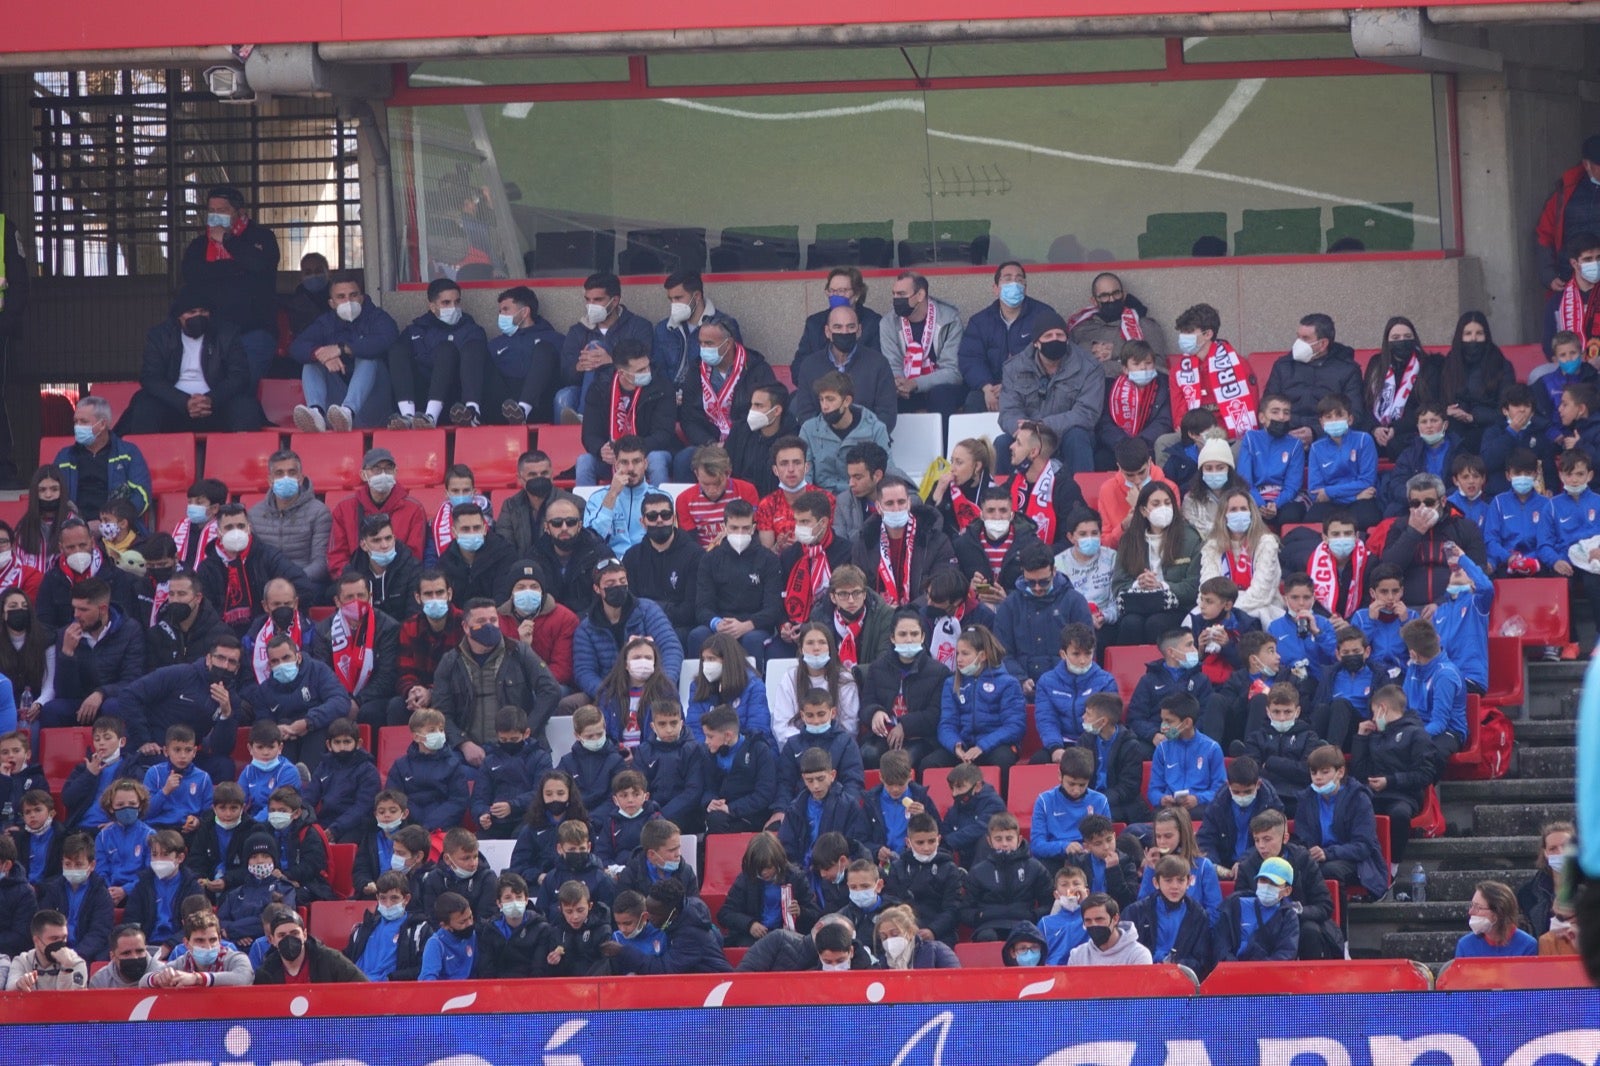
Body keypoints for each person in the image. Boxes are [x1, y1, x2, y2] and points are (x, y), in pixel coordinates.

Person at [118, 288, 267, 434]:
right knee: (146, 407)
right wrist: (184, 402)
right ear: (179, 316)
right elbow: (151, 378)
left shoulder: (227, 334)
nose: (198, 316)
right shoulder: (160, 336)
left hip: (216, 405)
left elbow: (239, 376)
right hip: (173, 406)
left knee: (246, 407)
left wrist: (210, 399)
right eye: (192, 312)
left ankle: (242, 458)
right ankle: (146, 457)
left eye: (203, 311)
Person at [431, 598, 560, 760]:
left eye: (493, 620)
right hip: (467, 753)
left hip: (519, 749)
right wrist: (462, 743)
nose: (489, 625)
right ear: (465, 627)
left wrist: (526, 731)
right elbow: (441, 713)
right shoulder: (450, 662)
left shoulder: (519, 652)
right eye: (481, 621)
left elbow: (551, 690)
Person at [178, 184, 279, 383]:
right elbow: (192, 276)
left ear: (240, 212)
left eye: (222, 211)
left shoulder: (262, 237)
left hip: (253, 333)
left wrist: (227, 240)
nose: (215, 216)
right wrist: (236, 268)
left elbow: (259, 266)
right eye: (212, 211)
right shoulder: (199, 245)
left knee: (241, 386)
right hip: (210, 335)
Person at [290, 273, 401, 433]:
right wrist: (321, 354)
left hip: (374, 405)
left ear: (362, 297)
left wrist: (341, 349)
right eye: (341, 297)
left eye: (353, 295)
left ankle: (348, 411)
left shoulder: (377, 317)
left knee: (367, 358)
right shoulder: (326, 322)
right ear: (332, 303)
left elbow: (387, 338)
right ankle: (316, 413)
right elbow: (297, 347)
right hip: (335, 413)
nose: (348, 301)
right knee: (311, 362)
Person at [997, 310, 1101, 476]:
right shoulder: (1014, 368)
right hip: (1028, 436)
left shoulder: (1089, 367)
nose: (1055, 340)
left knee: (1077, 437)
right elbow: (1008, 412)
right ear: (1036, 343)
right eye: (1048, 336)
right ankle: (1003, 498)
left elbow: (1087, 413)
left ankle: (1081, 498)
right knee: (1002, 443)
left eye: (1060, 335)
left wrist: (1042, 426)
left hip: (1067, 436)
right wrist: (1026, 430)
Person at [571, 558, 683, 702]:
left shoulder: (648, 610)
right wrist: (608, 695)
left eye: (622, 582)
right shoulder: (586, 628)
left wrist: (663, 685)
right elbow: (584, 672)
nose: (618, 586)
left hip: (652, 687)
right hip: (610, 694)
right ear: (597, 589)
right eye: (610, 584)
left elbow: (671, 649)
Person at [676, 319, 777, 480]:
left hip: (746, 441)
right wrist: (710, 443)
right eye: (701, 343)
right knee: (683, 459)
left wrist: (732, 443)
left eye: (709, 343)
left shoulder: (756, 369)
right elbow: (689, 418)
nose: (704, 349)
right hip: (709, 444)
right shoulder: (695, 370)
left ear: (728, 343)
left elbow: (764, 412)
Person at [38, 577, 143, 729]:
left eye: (83, 610)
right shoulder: (65, 634)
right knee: (53, 710)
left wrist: (101, 693)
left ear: (103, 609)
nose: (76, 615)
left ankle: (120, 752)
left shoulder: (130, 630)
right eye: (74, 608)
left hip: (112, 699)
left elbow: (132, 679)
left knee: (113, 706)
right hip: (79, 701)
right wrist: (67, 654)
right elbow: (64, 691)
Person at [1353, 685, 1438, 867]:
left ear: (1382, 708)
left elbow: (1425, 774)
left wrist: (1390, 781)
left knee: (1398, 814)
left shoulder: (1416, 733)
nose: (1373, 718)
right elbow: (1360, 772)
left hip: (1404, 796)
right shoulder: (1375, 735)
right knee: (1353, 810)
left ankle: (1393, 865)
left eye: (1374, 712)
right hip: (1373, 794)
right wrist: (1360, 738)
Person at [386, 277, 487, 429]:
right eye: (446, 303)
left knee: (447, 349)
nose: (453, 307)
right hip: (419, 400)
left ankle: (433, 417)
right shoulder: (415, 330)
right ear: (432, 307)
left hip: (455, 402)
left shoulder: (472, 330)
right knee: (397, 350)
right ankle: (407, 417)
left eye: (457, 302)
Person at [456, 286, 565, 426]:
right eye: (500, 311)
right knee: (474, 346)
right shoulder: (496, 343)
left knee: (544, 348)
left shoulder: (554, 339)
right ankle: (472, 411)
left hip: (536, 405)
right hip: (501, 404)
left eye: (506, 310)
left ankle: (523, 411)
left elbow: (564, 375)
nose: (501, 315)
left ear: (525, 312)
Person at [689, 499, 782, 660]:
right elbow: (702, 606)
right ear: (724, 528)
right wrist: (717, 623)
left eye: (745, 528)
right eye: (734, 528)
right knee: (697, 635)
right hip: (720, 623)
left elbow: (773, 608)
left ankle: (754, 684)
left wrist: (747, 625)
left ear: (753, 528)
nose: (740, 533)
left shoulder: (769, 560)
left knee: (752, 640)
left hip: (754, 625)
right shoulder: (710, 559)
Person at [557, 271, 656, 422]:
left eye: (597, 300)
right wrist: (579, 367)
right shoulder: (578, 331)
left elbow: (647, 367)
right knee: (563, 397)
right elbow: (564, 376)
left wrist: (612, 360)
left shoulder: (639, 326)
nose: (591, 306)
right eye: (588, 300)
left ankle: (584, 416)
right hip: (589, 390)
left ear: (615, 301)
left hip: (625, 389)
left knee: (593, 346)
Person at [959, 261, 1057, 414]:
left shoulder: (1044, 315)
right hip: (990, 388)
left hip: (1031, 387)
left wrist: (1012, 385)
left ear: (1025, 288)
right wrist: (986, 387)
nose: (1014, 283)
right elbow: (970, 358)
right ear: (996, 289)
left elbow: (1052, 357)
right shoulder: (979, 321)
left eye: (1019, 280)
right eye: (1007, 278)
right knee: (973, 402)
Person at [1111, 482, 1201, 646]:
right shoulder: (1129, 539)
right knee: (1130, 624)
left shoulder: (1190, 538)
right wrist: (1140, 583)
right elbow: (1118, 584)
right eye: (1156, 503)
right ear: (1143, 510)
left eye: (1167, 503)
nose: (1163, 508)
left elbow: (1193, 586)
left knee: (1156, 624)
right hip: (1139, 604)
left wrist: (1161, 585)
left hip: (1176, 607)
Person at [1381, 472, 1490, 605]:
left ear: (1443, 501)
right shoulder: (1400, 527)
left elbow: (1479, 571)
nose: (1422, 509)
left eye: (1429, 502)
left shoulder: (1465, 527)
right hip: (1409, 609)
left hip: (1453, 605)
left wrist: (1443, 602)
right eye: (1416, 503)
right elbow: (1388, 570)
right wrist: (1413, 533)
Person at [579, 342, 676, 488]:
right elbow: (589, 434)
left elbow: (663, 434)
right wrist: (601, 449)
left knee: (657, 461)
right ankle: (587, 509)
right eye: (641, 370)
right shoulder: (600, 388)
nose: (647, 372)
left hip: (649, 451)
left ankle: (659, 508)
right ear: (622, 373)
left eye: (647, 366)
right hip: (614, 457)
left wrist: (631, 452)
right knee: (584, 462)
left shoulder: (661, 387)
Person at [852, 477, 958, 610]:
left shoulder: (935, 540)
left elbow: (943, 584)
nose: (896, 508)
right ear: (878, 507)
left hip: (923, 615)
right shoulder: (865, 542)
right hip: (879, 617)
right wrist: (881, 609)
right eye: (889, 503)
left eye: (901, 502)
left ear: (909, 503)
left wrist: (907, 610)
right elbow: (858, 586)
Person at [791, 304, 898, 431]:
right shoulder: (809, 365)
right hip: (823, 444)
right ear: (827, 332)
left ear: (859, 331)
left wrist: (857, 437)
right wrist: (831, 438)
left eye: (850, 327)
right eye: (838, 327)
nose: (844, 332)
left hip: (867, 444)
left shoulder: (878, 363)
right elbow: (805, 414)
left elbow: (887, 415)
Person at [326, 447, 429, 578]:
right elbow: (336, 556)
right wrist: (353, 581)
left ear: (396, 472)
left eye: (388, 469)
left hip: (399, 581)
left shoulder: (414, 509)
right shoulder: (344, 509)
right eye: (376, 469)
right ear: (363, 474)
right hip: (354, 581)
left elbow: (415, 556)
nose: (383, 474)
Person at [933, 625, 1025, 770]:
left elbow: (1014, 726)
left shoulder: (1008, 683)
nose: (959, 659)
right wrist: (955, 745)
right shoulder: (951, 683)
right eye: (957, 653)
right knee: (931, 763)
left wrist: (982, 746)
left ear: (982, 656)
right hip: (964, 745)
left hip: (994, 745)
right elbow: (946, 724)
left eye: (965, 653)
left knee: (1003, 760)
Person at [1263, 313, 1366, 442]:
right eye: (1298, 337)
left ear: (1323, 343)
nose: (1298, 343)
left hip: (1329, 440)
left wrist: (1316, 433)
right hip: (1284, 437)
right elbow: (1266, 406)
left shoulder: (1348, 370)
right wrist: (1285, 432)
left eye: (1305, 338)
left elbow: (1355, 415)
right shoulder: (1283, 366)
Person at [1167, 303, 1258, 447]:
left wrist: (1213, 436)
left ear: (1208, 334)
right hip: (1193, 436)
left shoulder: (1237, 364)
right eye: (1182, 332)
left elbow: (1247, 413)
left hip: (1228, 436)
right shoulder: (1178, 370)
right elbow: (1179, 414)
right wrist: (1194, 435)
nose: (1183, 337)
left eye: (1189, 332)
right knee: (1163, 443)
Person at [881, 271, 966, 417]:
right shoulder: (888, 323)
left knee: (941, 395)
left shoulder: (949, 320)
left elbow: (953, 371)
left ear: (920, 295)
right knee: (889, 396)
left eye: (901, 294)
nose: (896, 299)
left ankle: (943, 440)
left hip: (940, 387)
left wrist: (915, 384)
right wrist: (900, 384)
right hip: (905, 386)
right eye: (894, 294)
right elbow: (892, 365)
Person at [54, 396, 152, 523]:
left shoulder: (128, 453)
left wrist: (112, 521)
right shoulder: (64, 457)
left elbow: (142, 495)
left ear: (102, 424)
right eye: (75, 422)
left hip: (117, 528)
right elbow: (52, 494)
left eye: (83, 422)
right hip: (74, 528)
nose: (77, 427)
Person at [248, 450, 333, 591]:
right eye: (279, 473)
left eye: (292, 473)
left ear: (300, 478)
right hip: (266, 585)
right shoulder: (254, 514)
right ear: (270, 480)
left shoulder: (319, 512)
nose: (285, 477)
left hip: (305, 582)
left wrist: (292, 581)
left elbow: (321, 564)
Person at [961, 811, 1051, 941]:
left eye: (1009, 838)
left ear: (1019, 840)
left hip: (1024, 924)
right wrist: (979, 916)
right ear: (989, 841)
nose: (1004, 844)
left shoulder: (1035, 868)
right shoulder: (977, 871)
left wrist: (1033, 915)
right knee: (987, 937)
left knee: (1022, 937)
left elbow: (1049, 903)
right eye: (998, 839)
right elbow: (965, 910)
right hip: (988, 926)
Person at [800, 372, 892, 499]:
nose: (825, 406)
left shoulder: (875, 429)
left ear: (847, 401)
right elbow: (805, 473)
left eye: (830, 399)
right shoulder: (808, 429)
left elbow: (887, 471)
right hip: (823, 500)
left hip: (862, 498)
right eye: (821, 399)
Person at [1200, 489, 1284, 627]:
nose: (1239, 513)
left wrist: (1227, 609)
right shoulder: (1212, 546)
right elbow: (1207, 587)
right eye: (1233, 510)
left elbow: (1261, 592)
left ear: (1252, 513)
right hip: (1219, 609)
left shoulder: (1266, 543)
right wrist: (1219, 609)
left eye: (1243, 509)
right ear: (1224, 515)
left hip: (1261, 608)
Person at [1363, 316, 1442, 460]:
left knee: (1398, 445)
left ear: (1414, 338)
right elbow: (1365, 403)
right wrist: (1374, 429)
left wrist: (1396, 428)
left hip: (1408, 431)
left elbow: (1428, 406)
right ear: (1388, 341)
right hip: (1376, 430)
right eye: (1396, 337)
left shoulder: (1427, 365)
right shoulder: (1376, 364)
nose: (1402, 341)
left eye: (1407, 336)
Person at [1535, 136, 1600, 304]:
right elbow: (1544, 234)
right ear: (1586, 165)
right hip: (1568, 285)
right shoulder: (1565, 193)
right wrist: (1548, 275)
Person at [1124, 854, 1213, 976]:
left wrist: (1177, 964)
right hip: (1142, 978)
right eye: (1168, 880)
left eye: (1181, 880)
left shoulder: (1199, 916)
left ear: (1189, 882)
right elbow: (1125, 953)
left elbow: (1203, 960)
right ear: (1156, 883)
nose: (1175, 886)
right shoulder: (1135, 912)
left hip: (1182, 980)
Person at [656, 269, 743, 389]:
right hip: (669, 400)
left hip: (704, 399)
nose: (674, 304)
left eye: (678, 298)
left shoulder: (723, 326)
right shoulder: (664, 328)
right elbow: (658, 370)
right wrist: (668, 396)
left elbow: (733, 369)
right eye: (671, 300)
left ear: (697, 296)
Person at [1067, 271, 1169, 374]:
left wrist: (1118, 352)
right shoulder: (1081, 329)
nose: (1111, 300)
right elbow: (1066, 363)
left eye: (1116, 293)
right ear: (1094, 301)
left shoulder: (1145, 325)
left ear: (1123, 295)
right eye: (1104, 296)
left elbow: (1158, 366)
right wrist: (1090, 349)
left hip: (1132, 388)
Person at [701, 703, 779, 834]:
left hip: (751, 816)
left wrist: (731, 808)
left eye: (710, 736)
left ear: (728, 736)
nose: (706, 741)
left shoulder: (759, 750)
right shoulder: (708, 754)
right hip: (721, 815)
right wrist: (710, 802)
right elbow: (707, 787)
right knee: (715, 819)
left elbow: (765, 793)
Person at [1095, 340, 1172, 471]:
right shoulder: (1111, 387)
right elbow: (1105, 423)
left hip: (1149, 446)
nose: (1143, 368)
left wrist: (1140, 443)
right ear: (1125, 368)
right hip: (1118, 446)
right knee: (1100, 459)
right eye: (1136, 364)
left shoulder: (1165, 385)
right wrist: (1122, 443)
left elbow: (1164, 421)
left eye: (1148, 363)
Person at [1005, 421, 1083, 548]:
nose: (1011, 446)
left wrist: (1038, 556)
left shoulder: (1065, 489)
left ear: (1033, 452)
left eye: (1018, 443)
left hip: (1049, 563)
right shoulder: (1014, 481)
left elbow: (1071, 539)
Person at [1212, 855, 1301, 962]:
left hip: (1268, 975)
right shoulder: (1234, 905)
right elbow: (1220, 944)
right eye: (1263, 880)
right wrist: (1234, 968)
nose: (1267, 886)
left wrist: (1257, 972)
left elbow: (1286, 953)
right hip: (1229, 971)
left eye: (1274, 883)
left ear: (1287, 891)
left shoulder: (1288, 916)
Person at [795, 267, 882, 360]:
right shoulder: (814, 323)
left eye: (841, 291)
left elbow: (876, 364)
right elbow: (800, 364)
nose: (835, 295)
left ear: (856, 294)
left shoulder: (872, 322)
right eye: (831, 291)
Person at [729, 384, 800, 496]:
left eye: (759, 406)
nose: (752, 410)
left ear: (776, 410)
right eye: (751, 405)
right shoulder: (740, 430)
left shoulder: (794, 439)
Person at [928, 437, 997, 539]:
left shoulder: (993, 492)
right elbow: (924, 526)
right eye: (952, 461)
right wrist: (937, 494)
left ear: (977, 466)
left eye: (959, 463)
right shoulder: (944, 486)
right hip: (947, 550)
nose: (952, 468)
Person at [3, 910, 87, 991]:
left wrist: (67, 969)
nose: (60, 944)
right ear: (37, 940)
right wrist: (19, 984)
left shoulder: (76, 963)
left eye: (64, 938)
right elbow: (10, 989)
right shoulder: (23, 961)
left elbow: (72, 1000)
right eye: (54, 938)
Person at [15, 465, 75, 573]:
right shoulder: (23, 527)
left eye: (54, 489)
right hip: (29, 587)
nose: (48, 495)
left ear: (62, 491)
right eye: (42, 490)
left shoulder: (74, 523)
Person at [1457, 880, 1540, 958]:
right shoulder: (1465, 945)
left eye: (1478, 907)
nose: (1470, 912)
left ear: (1497, 913)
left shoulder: (1527, 946)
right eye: (1472, 905)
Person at [1517, 821, 1573, 936]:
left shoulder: (1593, 888)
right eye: (1553, 848)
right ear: (1545, 853)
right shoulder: (1527, 893)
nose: (1560, 852)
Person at [1067, 893, 1151, 966]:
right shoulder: (1077, 955)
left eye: (1099, 919)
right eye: (1088, 920)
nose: (1094, 924)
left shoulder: (1138, 954)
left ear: (1115, 919)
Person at [1552, 231, 1600, 350]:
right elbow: (1549, 343)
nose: (1595, 263)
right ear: (1574, 263)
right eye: (1588, 259)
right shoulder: (1558, 301)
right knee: (1540, 370)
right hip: (1572, 365)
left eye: (1598, 258)